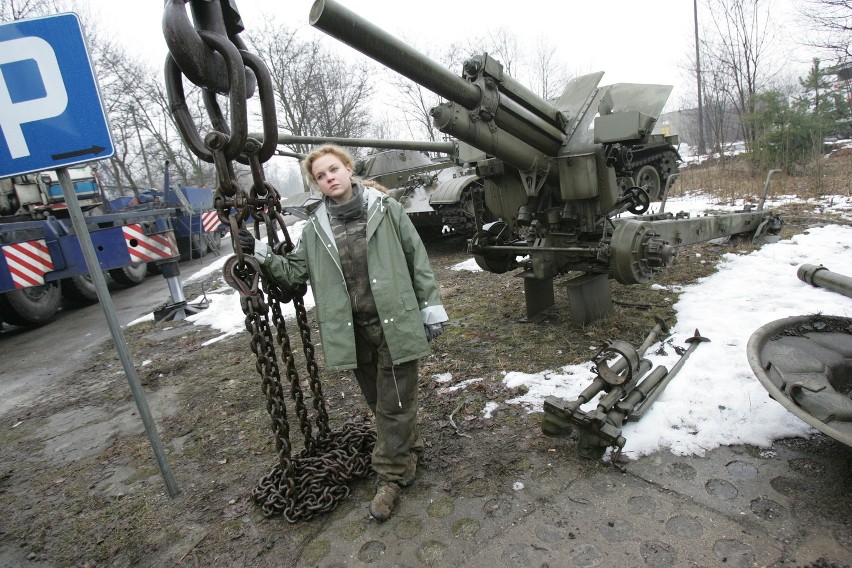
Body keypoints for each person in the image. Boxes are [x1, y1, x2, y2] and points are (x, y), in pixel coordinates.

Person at [238, 144, 448, 522]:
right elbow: (295, 273)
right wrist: (261, 252)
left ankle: (390, 477)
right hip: (351, 330)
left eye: (334, 169)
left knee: (394, 403)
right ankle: (409, 450)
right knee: (379, 401)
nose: (329, 177)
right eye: (320, 175)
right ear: (316, 184)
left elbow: (418, 260)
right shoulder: (316, 228)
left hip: (395, 322)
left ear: (348, 168)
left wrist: (430, 310)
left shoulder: (387, 209)